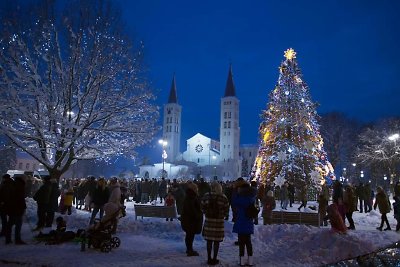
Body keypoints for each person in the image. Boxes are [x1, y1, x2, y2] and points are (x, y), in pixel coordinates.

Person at [201, 181, 229, 265]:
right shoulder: (223, 197)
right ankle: (215, 258)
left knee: (209, 241)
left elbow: (202, 207)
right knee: (217, 241)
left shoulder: (206, 196)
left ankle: (209, 258)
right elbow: (227, 210)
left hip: (209, 222)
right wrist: (222, 215)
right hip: (218, 223)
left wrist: (206, 213)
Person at [232, 181, 256, 266]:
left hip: (240, 221)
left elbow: (234, 201)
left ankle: (241, 261)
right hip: (249, 222)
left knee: (241, 243)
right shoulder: (252, 197)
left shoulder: (239, 198)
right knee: (248, 242)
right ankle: (250, 261)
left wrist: (235, 190)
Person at [180, 181, 203, 257]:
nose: (197, 189)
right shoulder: (191, 197)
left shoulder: (189, 196)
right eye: (196, 188)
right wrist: (198, 215)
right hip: (191, 220)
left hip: (188, 220)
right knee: (190, 235)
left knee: (189, 235)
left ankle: (189, 249)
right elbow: (192, 209)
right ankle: (190, 250)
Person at [5, 174, 27, 244]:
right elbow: (21, 198)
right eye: (25, 178)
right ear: (22, 179)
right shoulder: (20, 186)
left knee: (10, 224)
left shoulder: (13, 185)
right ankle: (17, 240)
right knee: (18, 224)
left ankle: (8, 239)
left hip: (12, 207)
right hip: (18, 208)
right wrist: (24, 207)